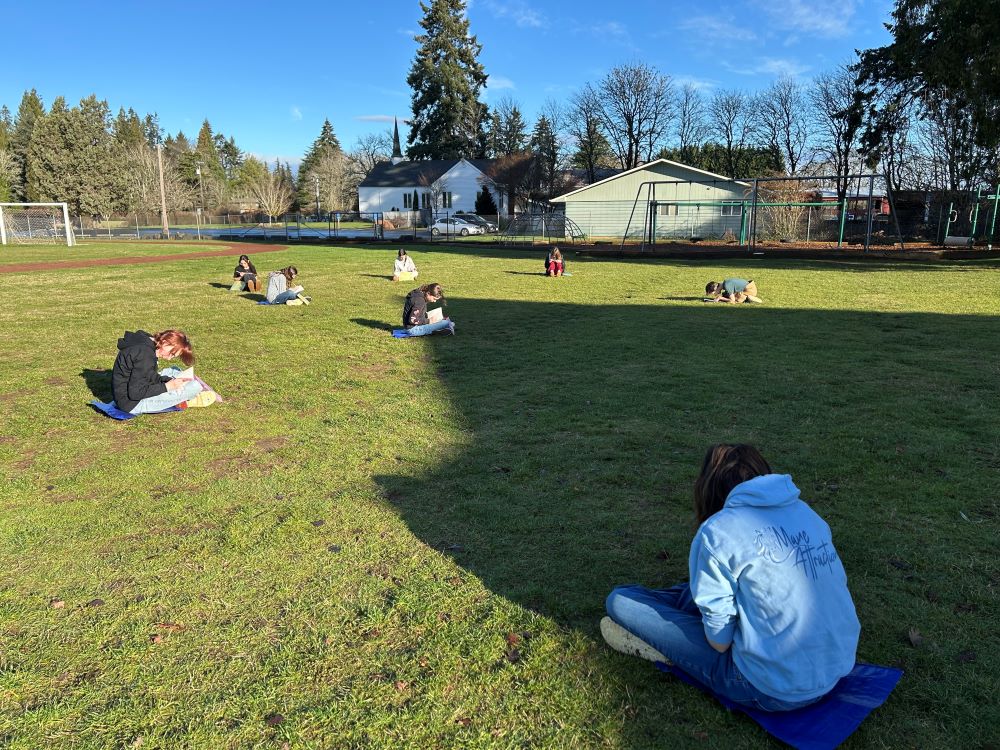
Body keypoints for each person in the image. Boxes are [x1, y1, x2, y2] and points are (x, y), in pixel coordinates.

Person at [602, 444, 860, 712]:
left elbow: (720, 643)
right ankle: (692, 604)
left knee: (621, 601)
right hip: (836, 667)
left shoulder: (718, 531)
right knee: (704, 590)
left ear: (707, 487)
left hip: (771, 687)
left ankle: (665, 630)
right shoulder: (806, 512)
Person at [111, 329, 209, 415]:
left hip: (127, 393)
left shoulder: (146, 341)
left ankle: (181, 391)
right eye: (172, 353)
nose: (169, 358)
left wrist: (167, 380)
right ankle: (188, 398)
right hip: (132, 403)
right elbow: (135, 393)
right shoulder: (145, 356)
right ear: (165, 342)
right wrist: (167, 387)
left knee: (174, 370)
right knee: (195, 386)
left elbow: (148, 375)